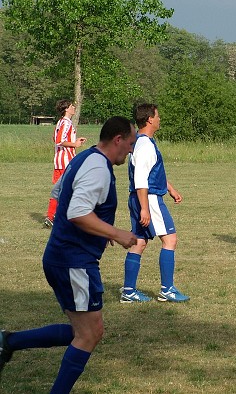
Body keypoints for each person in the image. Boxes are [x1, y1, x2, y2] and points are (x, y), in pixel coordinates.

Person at [0, 117, 137, 392]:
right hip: (73, 261)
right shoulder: (98, 167)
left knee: (84, 332)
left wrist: (97, 229)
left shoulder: (84, 159)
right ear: (118, 139)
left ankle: (7, 342)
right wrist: (114, 232)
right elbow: (76, 212)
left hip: (64, 257)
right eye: (130, 144)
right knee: (89, 334)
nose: (131, 150)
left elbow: (60, 193)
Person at [120, 103, 189, 303]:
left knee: (139, 242)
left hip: (139, 197)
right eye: (157, 116)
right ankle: (167, 289)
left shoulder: (140, 143)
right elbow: (142, 179)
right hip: (147, 198)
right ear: (150, 119)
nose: (159, 119)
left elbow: (150, 173)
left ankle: (129, 291)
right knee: (170, 239)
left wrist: (170, 188)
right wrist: (145, 208)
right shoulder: (146, 146)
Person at [44, 99, 87, 228]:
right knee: (67, 189)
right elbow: (58, 140)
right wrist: (74, 144)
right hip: (65, 161)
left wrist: (74, 140)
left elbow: (55, 137)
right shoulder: (66, 123)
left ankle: (54, 216)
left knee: (60, 190)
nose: (74, 107)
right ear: (66, 109)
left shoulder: (60, 122)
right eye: (71, 106)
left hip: (59, 160)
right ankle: (55, 216)